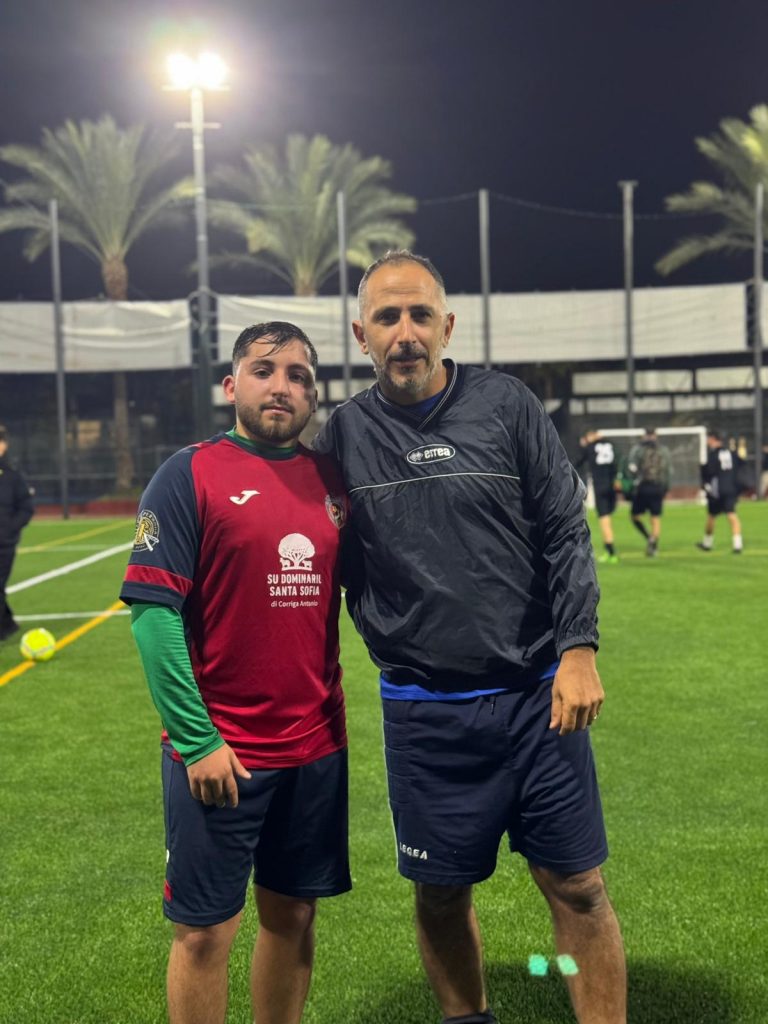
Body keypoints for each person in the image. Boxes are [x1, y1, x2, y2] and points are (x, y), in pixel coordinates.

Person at [315, 251, 626, 1024]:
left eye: (421, 315)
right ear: (361, 334)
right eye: (387, 317)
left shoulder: (507, 405)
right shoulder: (343, 436)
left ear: (447, 326)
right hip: (424, 711)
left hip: (538, 698)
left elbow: (564, 530)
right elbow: (314, 556)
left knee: (579, 888)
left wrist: (577, 648)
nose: (406, 333)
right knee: (441, 892)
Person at [120, 322, 351, 1024]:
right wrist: (197, 742)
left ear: (314, 395)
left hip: (316, 748)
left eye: (299, 375)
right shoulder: (188, 473)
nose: (282, 386)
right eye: (264, 370)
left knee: (293, 915)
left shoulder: (333, 483)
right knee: (204, 935)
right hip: (221, 752)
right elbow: (152, 615)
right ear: (231, 386)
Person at [0, 424, 35, 642]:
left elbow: (26, 508)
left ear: (4, 445)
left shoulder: (12, 476)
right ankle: (7, 624)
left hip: (3, 543)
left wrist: (9, 530)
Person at [625, 427, 672, 557]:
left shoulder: (638, 450)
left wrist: (631, 484)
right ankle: (653, 543)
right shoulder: (663, 450)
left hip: (643, 487)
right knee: (655, 518)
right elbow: (668, 470)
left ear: (644, 436)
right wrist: (666, 488)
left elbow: (631, 468)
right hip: (658, 487)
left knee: (635, 516)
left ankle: (649, 537)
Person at [575, 430, 620, 563]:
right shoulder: (610, 444)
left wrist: (584, 446)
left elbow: (578, 462)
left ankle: (611, 552)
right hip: (612, 486)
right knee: (608, 516)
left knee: (604, 518)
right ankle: (610, 549)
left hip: (600, 486)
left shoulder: (590, 447)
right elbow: (618, 459)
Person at [697, 428, 743, 553]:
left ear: (712, 439)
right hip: (731, 488)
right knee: (731, 514)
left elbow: (709, 472)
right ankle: (737, 544)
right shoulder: (732, 453)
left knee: (712, 515)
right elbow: (740, 465)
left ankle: (707, 543)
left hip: (717, 490)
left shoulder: (713, 455)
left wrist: (705, 482)